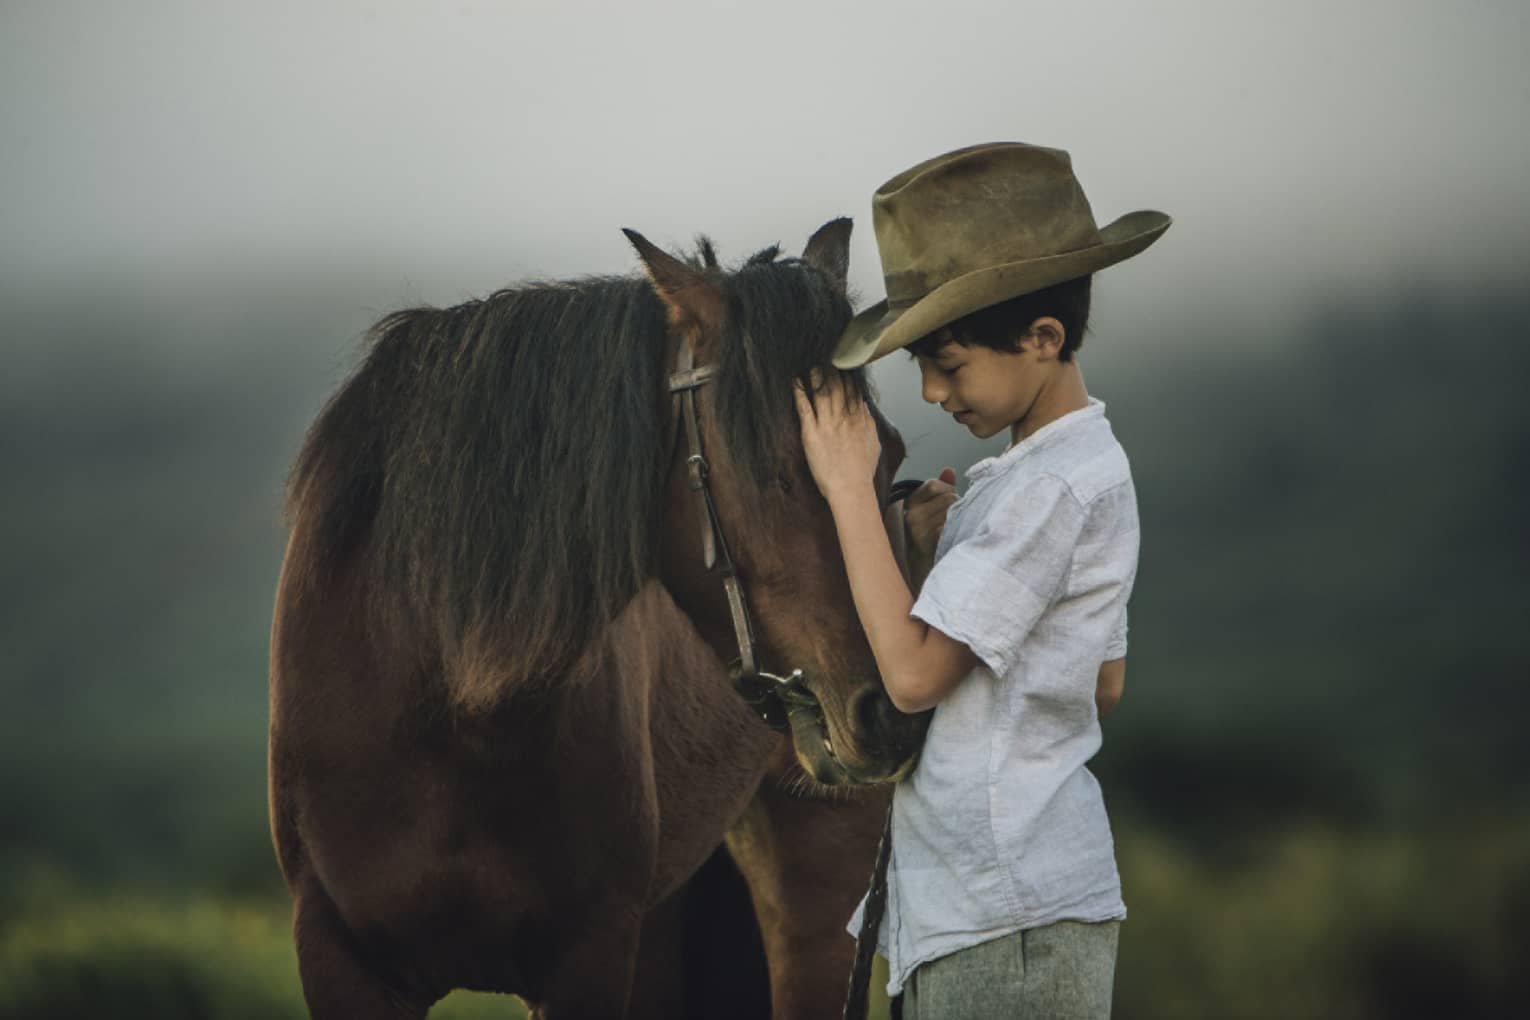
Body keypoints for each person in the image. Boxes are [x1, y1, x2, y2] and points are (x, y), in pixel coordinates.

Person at [792, 142, 1170, 1019]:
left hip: (1004, 916)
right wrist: (927, 553)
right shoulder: (1045, 477)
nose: (928, 391)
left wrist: (851, 491)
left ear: (1043, 340)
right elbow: (1100, 685)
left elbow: (918, 677)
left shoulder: (1048, 488)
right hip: (996, 909)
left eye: (948, 363)